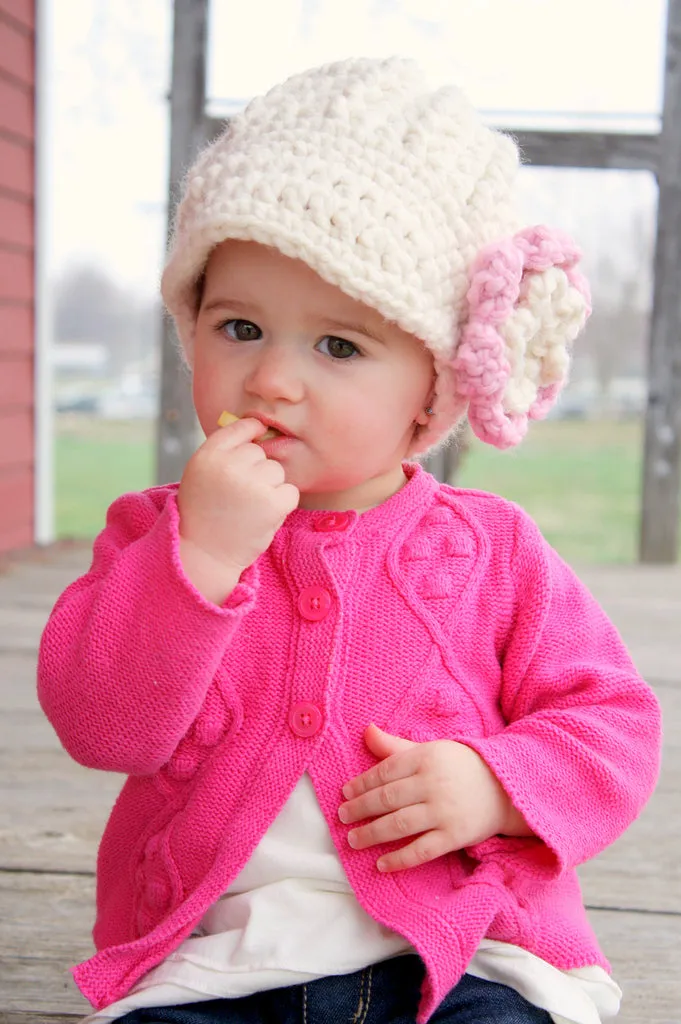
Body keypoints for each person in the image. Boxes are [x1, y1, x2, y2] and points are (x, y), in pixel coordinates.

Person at [38, 58, 661, 1024]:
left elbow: (613, 722)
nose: (273, 380)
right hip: (214, 968)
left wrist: (497, 786)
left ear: (435, 385)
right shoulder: (154, 534)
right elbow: (101, 726)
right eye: (239, 326)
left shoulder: (490, 548)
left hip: (463, 957)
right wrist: (198, 560)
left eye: (337, 346)